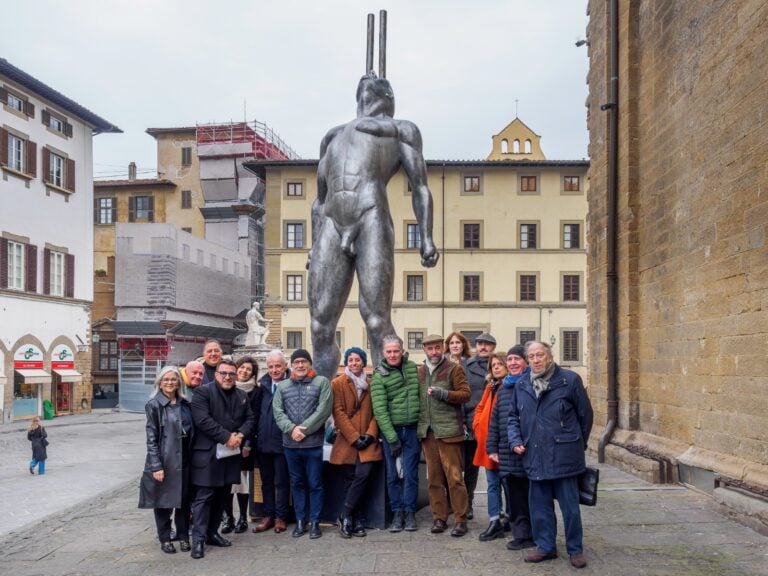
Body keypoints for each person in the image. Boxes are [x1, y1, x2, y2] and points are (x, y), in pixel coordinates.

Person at [307, 25, 439, 381]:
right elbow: (319, 200)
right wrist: (313, 242)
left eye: (375, 82)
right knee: (319, 322)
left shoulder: (401, 130)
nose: (368, 82)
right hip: (332, 222)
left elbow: (421, 187)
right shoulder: (332, 136)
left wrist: (426, 237)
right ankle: (321, 395)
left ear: (387, 94)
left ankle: (389, 402)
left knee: (376, 317)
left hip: (371, 217)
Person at [508, 341, 594, 569]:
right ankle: (545, 546)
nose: (536, 360)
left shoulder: (569, 380)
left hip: (564, 455)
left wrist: (576, 444)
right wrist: (515, 439)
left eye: (540, 355)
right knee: (539, 507)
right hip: (534, 455)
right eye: (532, 356)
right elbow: (513, 417)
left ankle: (575, 549)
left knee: (570, 508)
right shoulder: (522, 384)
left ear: (549, 356)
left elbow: (585, 416)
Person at [189, 358, 255, 559]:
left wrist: (240, 435)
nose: (228, 377)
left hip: (230, 456)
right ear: (216, 374)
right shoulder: (203, 392)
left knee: (223, 496)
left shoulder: (242, 395)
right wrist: (227, 437)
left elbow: (250, 419)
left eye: (231, 374)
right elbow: (202, 420)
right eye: (223, 373)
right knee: (204, 497)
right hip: (208, 455)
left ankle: (212, 533)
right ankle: (198, 540)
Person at [272, 349, 332, 539]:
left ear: (310, 363)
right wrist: (291, 430)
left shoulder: (321, 382)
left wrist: (303, 429)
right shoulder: (282, 386)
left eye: (303, 362)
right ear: (291, 365)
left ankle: (315, 522)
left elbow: (323, 410)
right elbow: (278, 412)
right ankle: (300, 521)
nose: (300, 365)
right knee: (297, 484)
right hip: (290, 446)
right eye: (296, 362)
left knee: (315, 484)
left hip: (313, 445)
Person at [416, 335, 471, 537]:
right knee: (434, 479)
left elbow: (465, 394)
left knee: (455, 478)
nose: (434, 352)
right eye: (430, 349)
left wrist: (444, 394)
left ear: (442, 348)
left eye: (437, 348)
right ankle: (439, 517)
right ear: (424, 351)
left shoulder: (454, 369)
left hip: (449, 432)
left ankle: (460, 519)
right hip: (428, 433)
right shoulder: (419, 372)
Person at [138, 366, 193, 554]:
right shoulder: (154, 405)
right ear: (160, 382)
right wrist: (156, 466)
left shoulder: (185, 404)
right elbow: (151, 438)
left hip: (185, 458)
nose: (170, 383)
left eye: (173, 379)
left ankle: (184, 536)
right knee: (163, 502)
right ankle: (165, 538)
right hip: (166, 459)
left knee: (184, 501)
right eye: (166, 379)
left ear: (179, 382)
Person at [370, 335, 421, 533]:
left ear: (402, 351)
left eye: (396, 351)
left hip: (412, 429)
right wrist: (391, 438)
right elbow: (380, 410)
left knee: (411, 474)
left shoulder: (412, 369)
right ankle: (397, 513)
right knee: (393, 475)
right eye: (389, 351)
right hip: (392, 431)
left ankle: (410, 513)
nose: (393, 354)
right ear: (383, 353)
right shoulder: (378, 376)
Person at [330, 346, 382, 538]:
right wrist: (354, 437)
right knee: (350, 478)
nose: (354, 363)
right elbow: (338, 412)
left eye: (357, 360)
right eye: (350, 360)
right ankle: (356, 518)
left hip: (367, 440)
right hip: (347, 440)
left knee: (363, 475)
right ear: (346, 363)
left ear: (363, 362)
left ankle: (345, 515)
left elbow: (378, 412)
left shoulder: (372, 384)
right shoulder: (337, 383)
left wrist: (370, 434)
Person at [488, 345, 534, 550]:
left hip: (527, 451)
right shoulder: (504, 387)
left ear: (526, 362)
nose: (513, 363)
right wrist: (492, 448)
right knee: (513, 498)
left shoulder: (532, 384)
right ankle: (521, 535)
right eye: (510, 359)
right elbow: (495, 420)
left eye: (517, 359)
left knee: (532, 498)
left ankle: (535, 535)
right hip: (507, 453)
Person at [221, 356, 261, 535]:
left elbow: (255, 419)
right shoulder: (226, 386)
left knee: (242, 482)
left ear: (253, 374)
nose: (244, 371)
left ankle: (243, 517)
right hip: (225, 441)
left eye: (249, 370)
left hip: (245, 442)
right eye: (242, 367)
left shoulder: (256, 391)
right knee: (226, 482)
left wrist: (248, 443)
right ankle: (228, 517)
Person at [252, 350, 291, 534]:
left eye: (278, 366)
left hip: (283, 442)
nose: (274, 370)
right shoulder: (263, 387)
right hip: (263, 443)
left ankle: (281, 517)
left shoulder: (291, 385)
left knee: (282, 482)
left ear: (285, 366)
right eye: (271, 367)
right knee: (265, 481)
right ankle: (268, 515)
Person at [473, 352, 508, 542]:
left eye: (499, 364)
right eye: (493, 365)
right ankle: (495, 520)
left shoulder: (510, 386)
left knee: (508, 484)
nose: (495, 367)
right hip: (487, 444)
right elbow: (480, 407)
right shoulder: (490, 386)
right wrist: (478, 426)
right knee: (492, 484)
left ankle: (509, 517)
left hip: (504, 446)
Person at [462, 332, 497, 518]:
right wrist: (463, 420)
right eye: (480, 344)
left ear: (493, 347)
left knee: (496, 467)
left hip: (494, 423)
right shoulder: (466, 366)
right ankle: (467, 502)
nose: (483, 347)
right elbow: (460, 393)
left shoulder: (499, 366)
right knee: (470, 466)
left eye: (487, 344)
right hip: (472, 422)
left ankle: (499, 509)